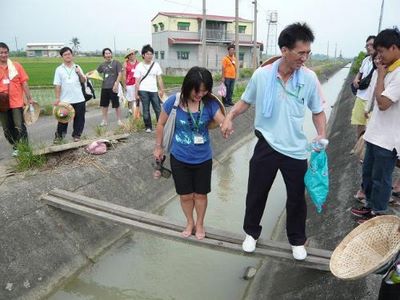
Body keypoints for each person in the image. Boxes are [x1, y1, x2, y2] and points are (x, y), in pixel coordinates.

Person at [220, 23, 327, 260]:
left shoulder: (309, 78)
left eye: (308, 52)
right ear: (284, 50)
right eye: (301, 53)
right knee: (257, 193)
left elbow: (318, 111)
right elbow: (246, 101)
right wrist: (229, 116)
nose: (305, 58)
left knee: (297, 198)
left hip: (296, 149)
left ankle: (297, 241)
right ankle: (251, 233)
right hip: (266, 144)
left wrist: (321, 134)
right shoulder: (262, 75)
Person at [154, 66, 224, 240]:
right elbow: (161, 124)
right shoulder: (174, 102)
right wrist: (159, 146)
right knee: (185, 196)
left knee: (200, 195)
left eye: (204, 91)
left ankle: (200, 223)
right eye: (197, 90)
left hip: (203, 159)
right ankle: (189, 222)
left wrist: (226, 125)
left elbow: (222, 120)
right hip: (179, 157)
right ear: (188, 86)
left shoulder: (210, 104)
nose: (200, 94)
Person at [351, 28, 400, 224]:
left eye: (381, 51)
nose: (379, 56)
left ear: (394, 47)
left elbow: (383, 103)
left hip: (387, 139)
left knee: (381, 178)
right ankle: (370, 206)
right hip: (374, 133)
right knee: (369, 174)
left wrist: (380, 74)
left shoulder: (397, 74)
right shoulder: (389, 69)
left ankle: (378, 213)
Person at [0, 42, 34, 157]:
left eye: (5, 52)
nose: (3, 55)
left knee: (19, 126)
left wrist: (29, 98)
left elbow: (24, 83)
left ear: (8, 53)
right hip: (2, 103)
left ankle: (25, 148)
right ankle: (15, 146)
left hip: (16, 102)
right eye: (1, 53)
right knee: (6, 128)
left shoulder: (16, 66)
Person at [53, 47, 86, 143]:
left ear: (72, 55)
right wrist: (57, 98)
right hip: (65, 101)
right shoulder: (59, 69)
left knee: (79, 119)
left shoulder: (77, 67)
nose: (68, 56)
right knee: (62, 119)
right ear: (62, 57)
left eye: (69, 54)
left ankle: (77, 135)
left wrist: (79, 73)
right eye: (65, 55)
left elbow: (83, 80)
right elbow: (57, 85)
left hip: (79, 98)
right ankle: (59, 137)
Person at [135, 44, 165, 133]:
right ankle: (148, 127)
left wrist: (162, 89)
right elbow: (137, 81)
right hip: (143, 90)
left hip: (154, 90)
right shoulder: (139, 66)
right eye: (148, 54)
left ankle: (160, 126)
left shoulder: (156, 65)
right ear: (143, 55)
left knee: (158, 109)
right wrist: (136, 93)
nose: (150, 56)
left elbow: (159, 78)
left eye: (151, 54)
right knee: (145, 108)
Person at [351, 35, 376, 139]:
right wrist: (356, 79)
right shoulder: (366, 60)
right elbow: (360, 73)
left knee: (370, 125)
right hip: (361, 96)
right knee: (360, 123)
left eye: (371, 45)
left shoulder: (380, 61)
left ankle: (366, 147)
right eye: (367, 45)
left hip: (371, 99)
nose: (369, 47)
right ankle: (358, 144)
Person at [97, 48, 123, 127]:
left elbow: (120, 74)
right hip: (104, 87)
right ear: (104, 55)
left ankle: (119, 120)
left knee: (116, 104)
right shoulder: (102, 65)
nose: (108, 55)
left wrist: (116, 84)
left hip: (114, 87)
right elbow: (97, 72)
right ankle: (104, 120)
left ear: (111, 54)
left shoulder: (116, 63)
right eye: (106, 53)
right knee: (104, 105)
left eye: (109, 53)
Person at [122, 49, 139, 116]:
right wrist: (124, 85)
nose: (132, 55)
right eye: (130, 54)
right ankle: (130, 110)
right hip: (129, 83)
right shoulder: (125, 63)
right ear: (128, 56)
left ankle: (137, 111)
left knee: (137, 97)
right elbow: (124, 75)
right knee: (130, 98)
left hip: (137, 83)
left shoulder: (138, 63)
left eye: (133, 54)